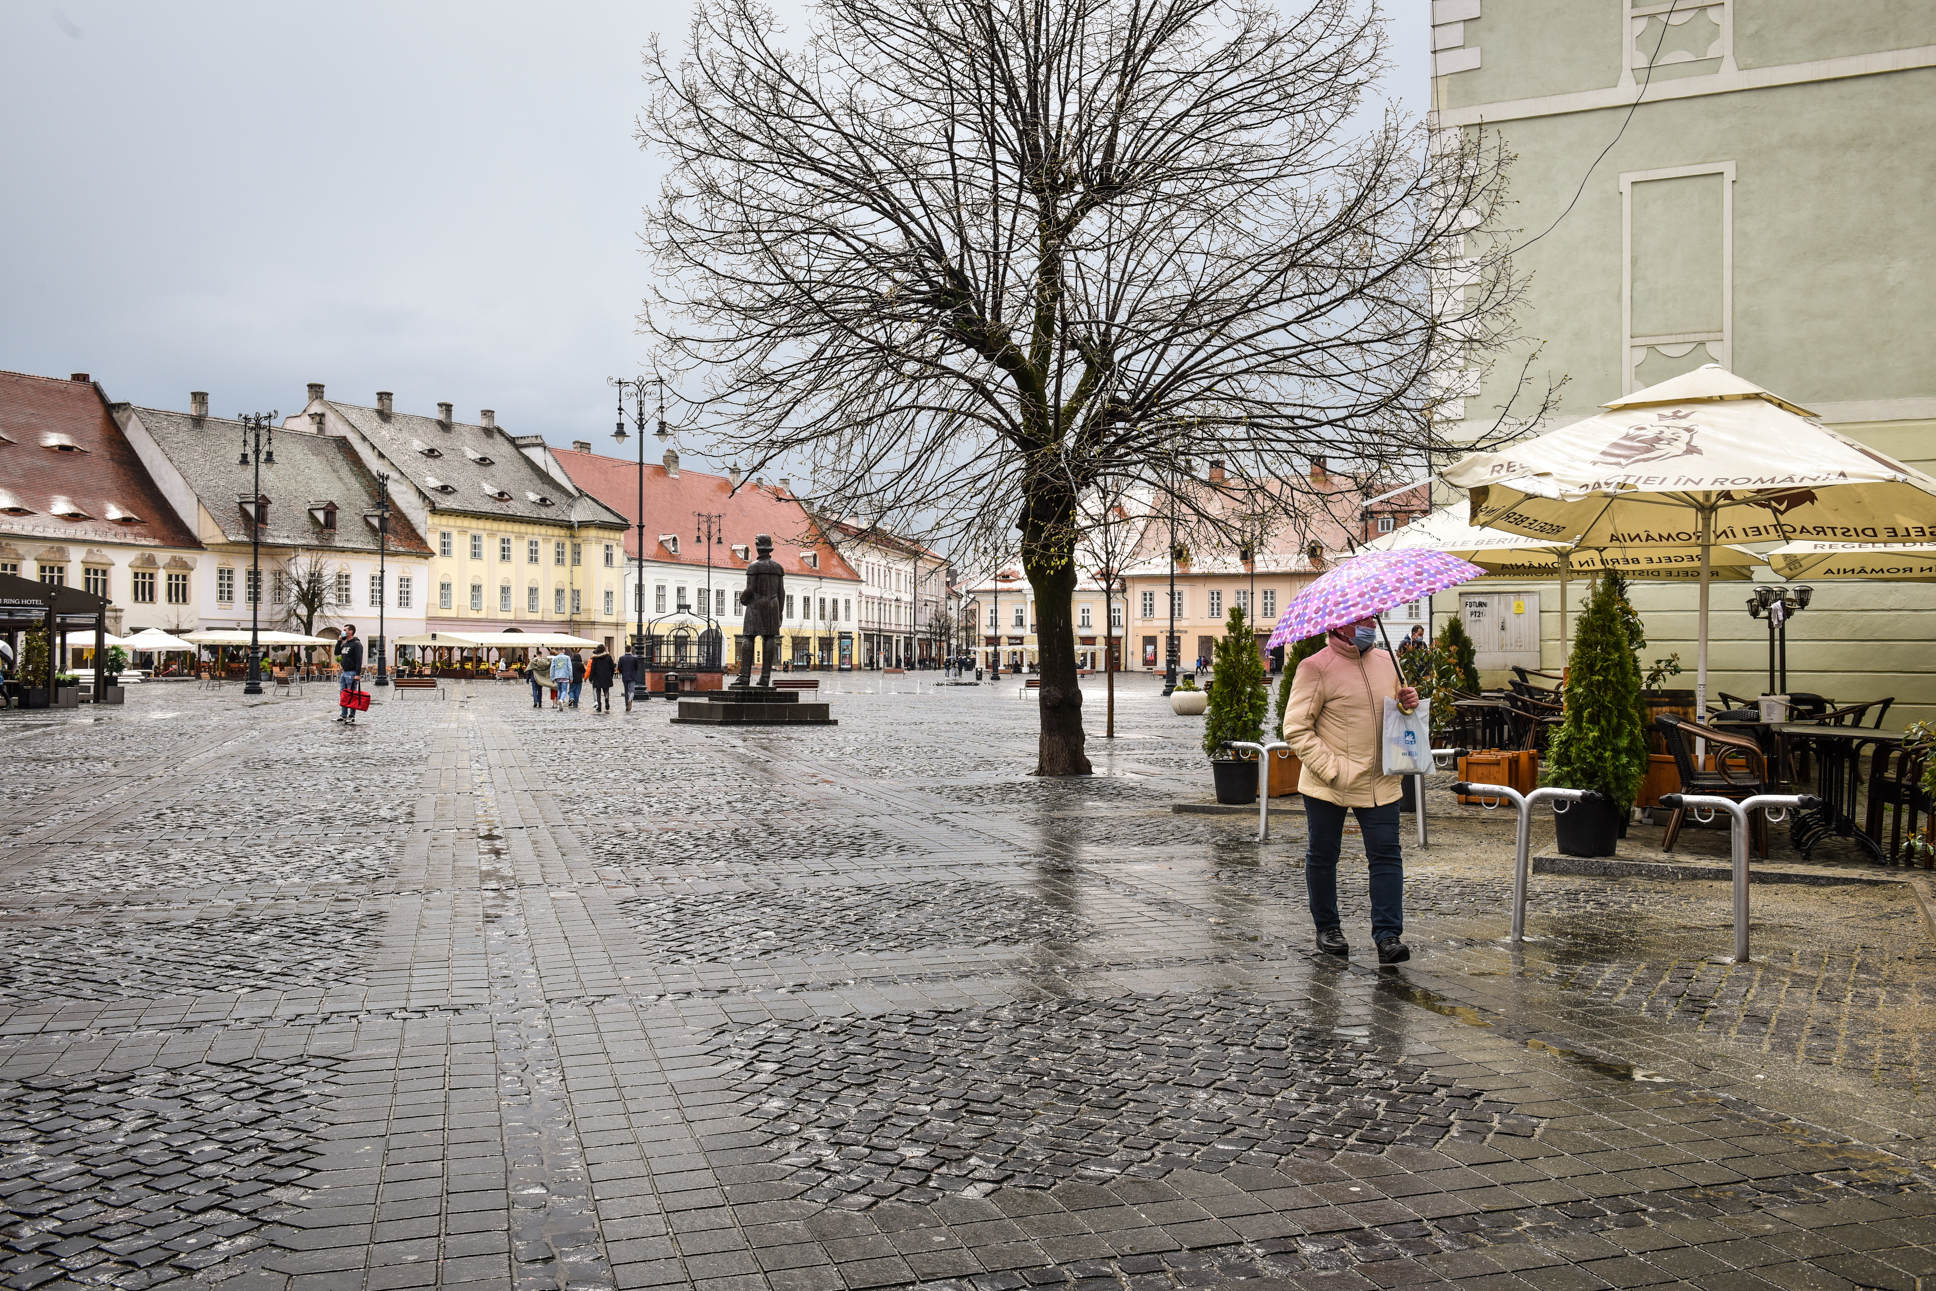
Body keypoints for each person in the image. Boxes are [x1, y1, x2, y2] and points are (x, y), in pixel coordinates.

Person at [1281, 615, 1420, 965]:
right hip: (1330, 784)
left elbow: (1396, 713)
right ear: (1338, 624)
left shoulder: (1389, 660)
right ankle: (1327, 927)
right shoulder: (1315, 667)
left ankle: (1388, 936)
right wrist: (1333, 770)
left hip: (1381, 781)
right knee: (1324, 855)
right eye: (1361, 620)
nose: (1369, 624)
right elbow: (1296, 728)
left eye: (1373, 618)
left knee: (1387, 856)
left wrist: (1407, 703)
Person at [335, 624, 364, 725]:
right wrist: (339, 641)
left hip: (352, 672)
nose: (343, 631)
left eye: (345, 630)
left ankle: (352, 716)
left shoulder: (356, 644)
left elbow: (359, 659)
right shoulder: (345, 643)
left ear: (350, 632)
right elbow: (336, 652)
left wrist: (357, 673)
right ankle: (343, 715)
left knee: (352, 694)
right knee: (343, 694)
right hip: (344, 672)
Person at [588, 645, 615, 712]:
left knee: (598, 691)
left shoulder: (595, 658)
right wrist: (611, 675)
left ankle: (599, 706)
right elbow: (612, 667)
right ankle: (606, 698)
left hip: (597, 676)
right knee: (606, 690)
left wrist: (591, 678)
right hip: (606, 676)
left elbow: (593, 669)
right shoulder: (608, 657)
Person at [617, 642, 641, 712]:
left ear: (625, 650)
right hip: (632, 675)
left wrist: (622, 672)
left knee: (626, 690)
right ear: (630, 649)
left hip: (625, 675)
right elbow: (637, 668)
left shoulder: (621, 658)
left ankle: (627, 705)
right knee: (632, 691)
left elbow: (619, 668)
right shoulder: (634, 658)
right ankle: (630, 699)